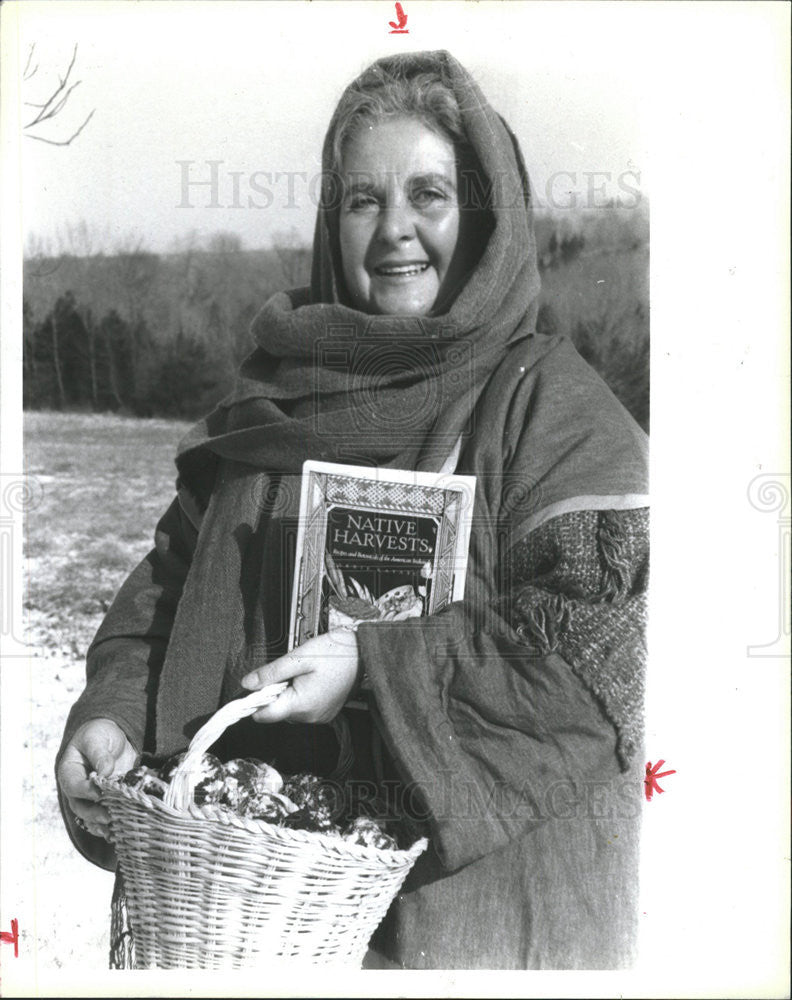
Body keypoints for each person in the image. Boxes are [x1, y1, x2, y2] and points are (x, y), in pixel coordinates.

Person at [56, 50, 649, 970]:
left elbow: (606, 652)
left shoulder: (550, 409)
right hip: (251, 928)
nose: (394, 233)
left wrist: (374, 667)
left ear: (486, 214)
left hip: (473, 934)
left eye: (430, 196)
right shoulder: (279, 403)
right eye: (364, 200)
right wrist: (114, 715)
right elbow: (164, 598)